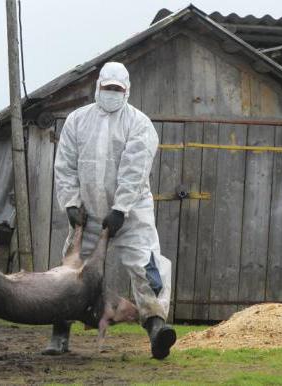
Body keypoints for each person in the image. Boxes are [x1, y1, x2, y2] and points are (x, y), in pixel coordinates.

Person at [50, 62, 176, 359]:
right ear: (98, 87)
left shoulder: (139, 124)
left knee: (148, 265)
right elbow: (65, 165)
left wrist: (120, 209)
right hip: (89, 214)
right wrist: (70, 203)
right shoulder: (77, 121)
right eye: (107, 88)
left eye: (117, 90)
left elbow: (134, 169)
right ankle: (59, 332)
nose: (111, 94)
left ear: (127, 91)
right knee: (73, 271)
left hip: (131, 214)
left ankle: (156, 326)